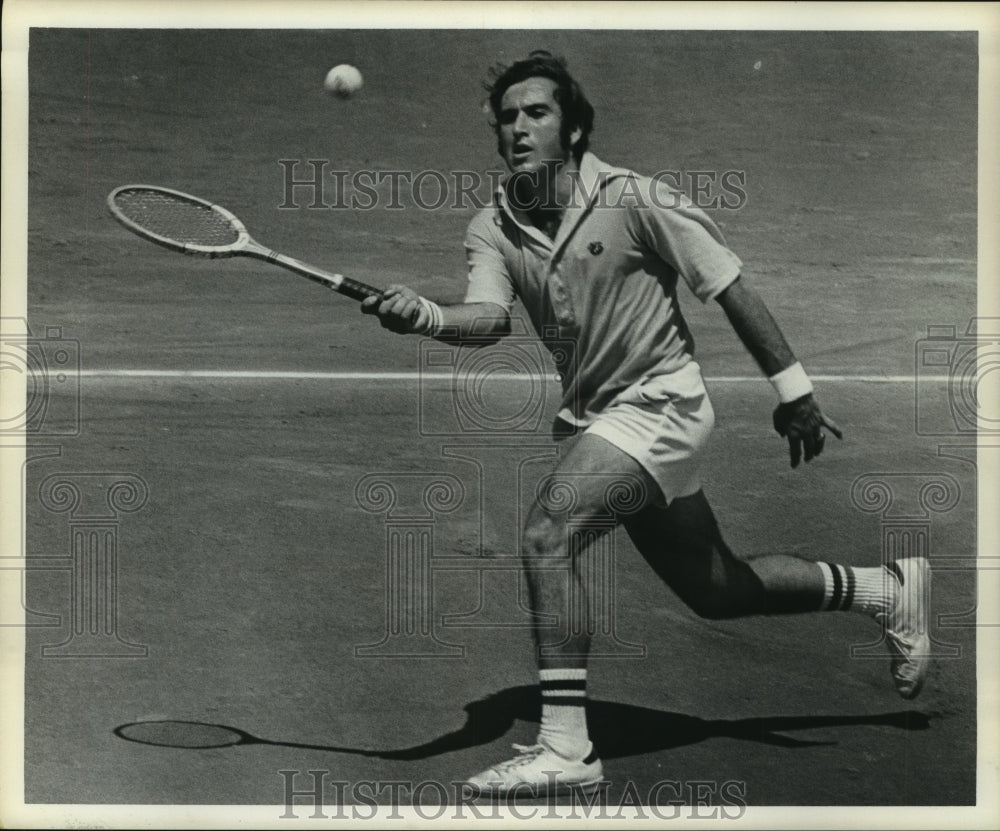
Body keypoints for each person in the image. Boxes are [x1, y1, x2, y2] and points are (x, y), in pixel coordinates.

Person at [360, 51, 931, 797]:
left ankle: (566, 746)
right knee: (719, 588)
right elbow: (491, 317)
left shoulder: (635, 199)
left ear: (572, 128)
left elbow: (728, 285)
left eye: (537, 113)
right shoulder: (492, 226)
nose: (519, 128)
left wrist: (795, 393)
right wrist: (427, 316)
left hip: (662, 406)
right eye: (508, 117)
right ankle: (884, 589)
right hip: (602, 422)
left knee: (548, 533)